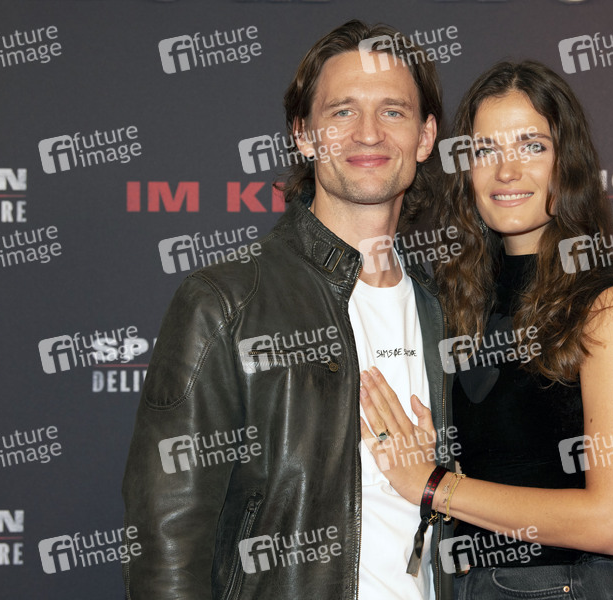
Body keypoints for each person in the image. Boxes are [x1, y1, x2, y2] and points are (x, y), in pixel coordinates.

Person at [122, 20, 457, 600]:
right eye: (343, 111)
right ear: (304, 135)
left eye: (393, 111)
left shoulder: (451, 310)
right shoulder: (226, 304)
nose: (369, 133)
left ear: (425, 137)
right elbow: (166, 543)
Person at [359, 61, 613, 599]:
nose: (506, 171)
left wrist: (431, 484)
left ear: (567, 163)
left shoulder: (610, 305)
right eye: (485, 150)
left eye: (532, 146)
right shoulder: (457, 300)